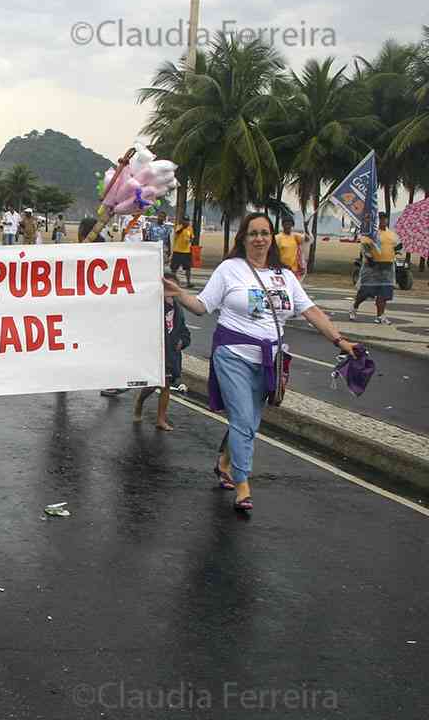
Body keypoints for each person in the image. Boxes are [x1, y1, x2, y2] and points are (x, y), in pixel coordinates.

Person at [166, 212, 358, 513]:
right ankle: (242, 484)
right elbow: (203, 307)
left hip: (270, 360)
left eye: (264, 233)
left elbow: (311, 311)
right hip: (233, 355)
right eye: (253, 233)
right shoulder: (230, 269)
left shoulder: (285, 276)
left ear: (272, 238)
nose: (259, 238)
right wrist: (179, 294)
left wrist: (340, 340)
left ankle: (224, 462)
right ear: (243, 238)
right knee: (243, 419)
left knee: (250, 421)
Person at [134, 271, 191, 431]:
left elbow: (184, 331)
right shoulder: (155, 306)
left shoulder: (179, 309)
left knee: (165, 386)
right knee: (152, 385)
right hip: (156, 353)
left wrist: (183, 341)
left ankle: (161, 419)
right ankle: (140, 401)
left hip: (172, 355)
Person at [350, 214, 399, 324]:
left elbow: (394, 247)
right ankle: (354, 307)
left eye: (385, 219)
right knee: (365, 292)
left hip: (387, 267)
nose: (383, 221)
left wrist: (396, 249)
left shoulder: (392, 235)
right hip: (372, 267)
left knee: (384, 293)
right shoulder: (371, 234)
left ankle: (380, 316)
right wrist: (369, 257)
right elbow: (364, 247)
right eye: (381, 219)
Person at [170, 216, 195, 287]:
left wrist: (190, 241)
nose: (186, 222)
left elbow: (192, 237)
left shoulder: (190, 228)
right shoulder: (179, 227)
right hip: (177, 251)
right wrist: (183, 227)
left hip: (186, 251)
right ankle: (173, 283)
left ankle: (188, 282)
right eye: (185, 220)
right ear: (182, 221)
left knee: (188, 268)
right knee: (174, 268)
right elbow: (177, 232)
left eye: (188, 220)